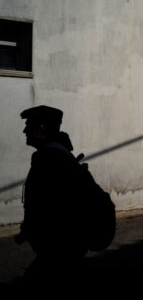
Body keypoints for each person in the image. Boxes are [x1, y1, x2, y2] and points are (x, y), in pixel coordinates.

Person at [15, 105, 88, 286]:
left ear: (41, 129)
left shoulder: (51, 159)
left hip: (59, 249)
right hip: (62, 248)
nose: (24, 130)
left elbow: (53, 207)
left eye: (28, 125)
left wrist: (34, 227)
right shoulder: (55, 155)